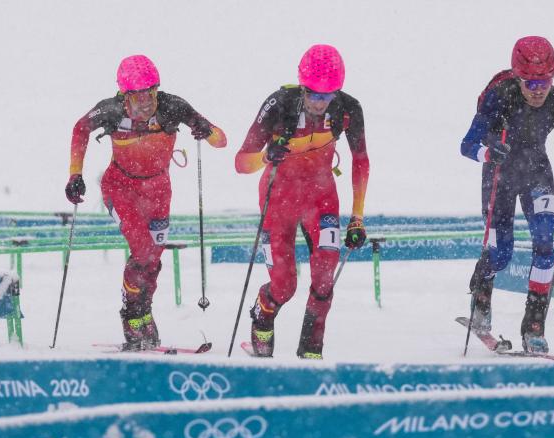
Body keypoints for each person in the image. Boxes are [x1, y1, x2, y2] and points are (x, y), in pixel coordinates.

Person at [65, 55, 227, 350]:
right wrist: (75, 174)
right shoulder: (112, 110)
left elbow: (221, 140)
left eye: (151, 93)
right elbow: (80, 128)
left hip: (158, 191)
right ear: (125, 95)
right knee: (142, 249)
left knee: (154, 259)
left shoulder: (172, 106)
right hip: (121, 188)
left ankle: (144, 312)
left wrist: (207, 130)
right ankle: (131, 315)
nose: (146, 102)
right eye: (138, 96)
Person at [235, 44, 370, 360]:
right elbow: (241, 162)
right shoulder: (279, 104)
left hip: (321, 196)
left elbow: (361, 161)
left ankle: (311, 350)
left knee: (324, 276)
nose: (320, 103)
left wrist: (357, 217)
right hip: (278, 198)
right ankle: (263, 314)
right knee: (284, 286)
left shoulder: (348, 108)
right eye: (313, 94)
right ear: (302, 85)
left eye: (328, 95)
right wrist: (266, 156)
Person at [460, 36, 554, 353]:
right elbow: (467, 145)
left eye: (545, 82)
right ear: (518, 77)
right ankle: (481, 296)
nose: (538, 90)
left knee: (545, 244)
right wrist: (488, 153)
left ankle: (534, 326)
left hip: (537, 172)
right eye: (531, 83)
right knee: (501, 254)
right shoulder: (499, 96)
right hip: (499, 175)